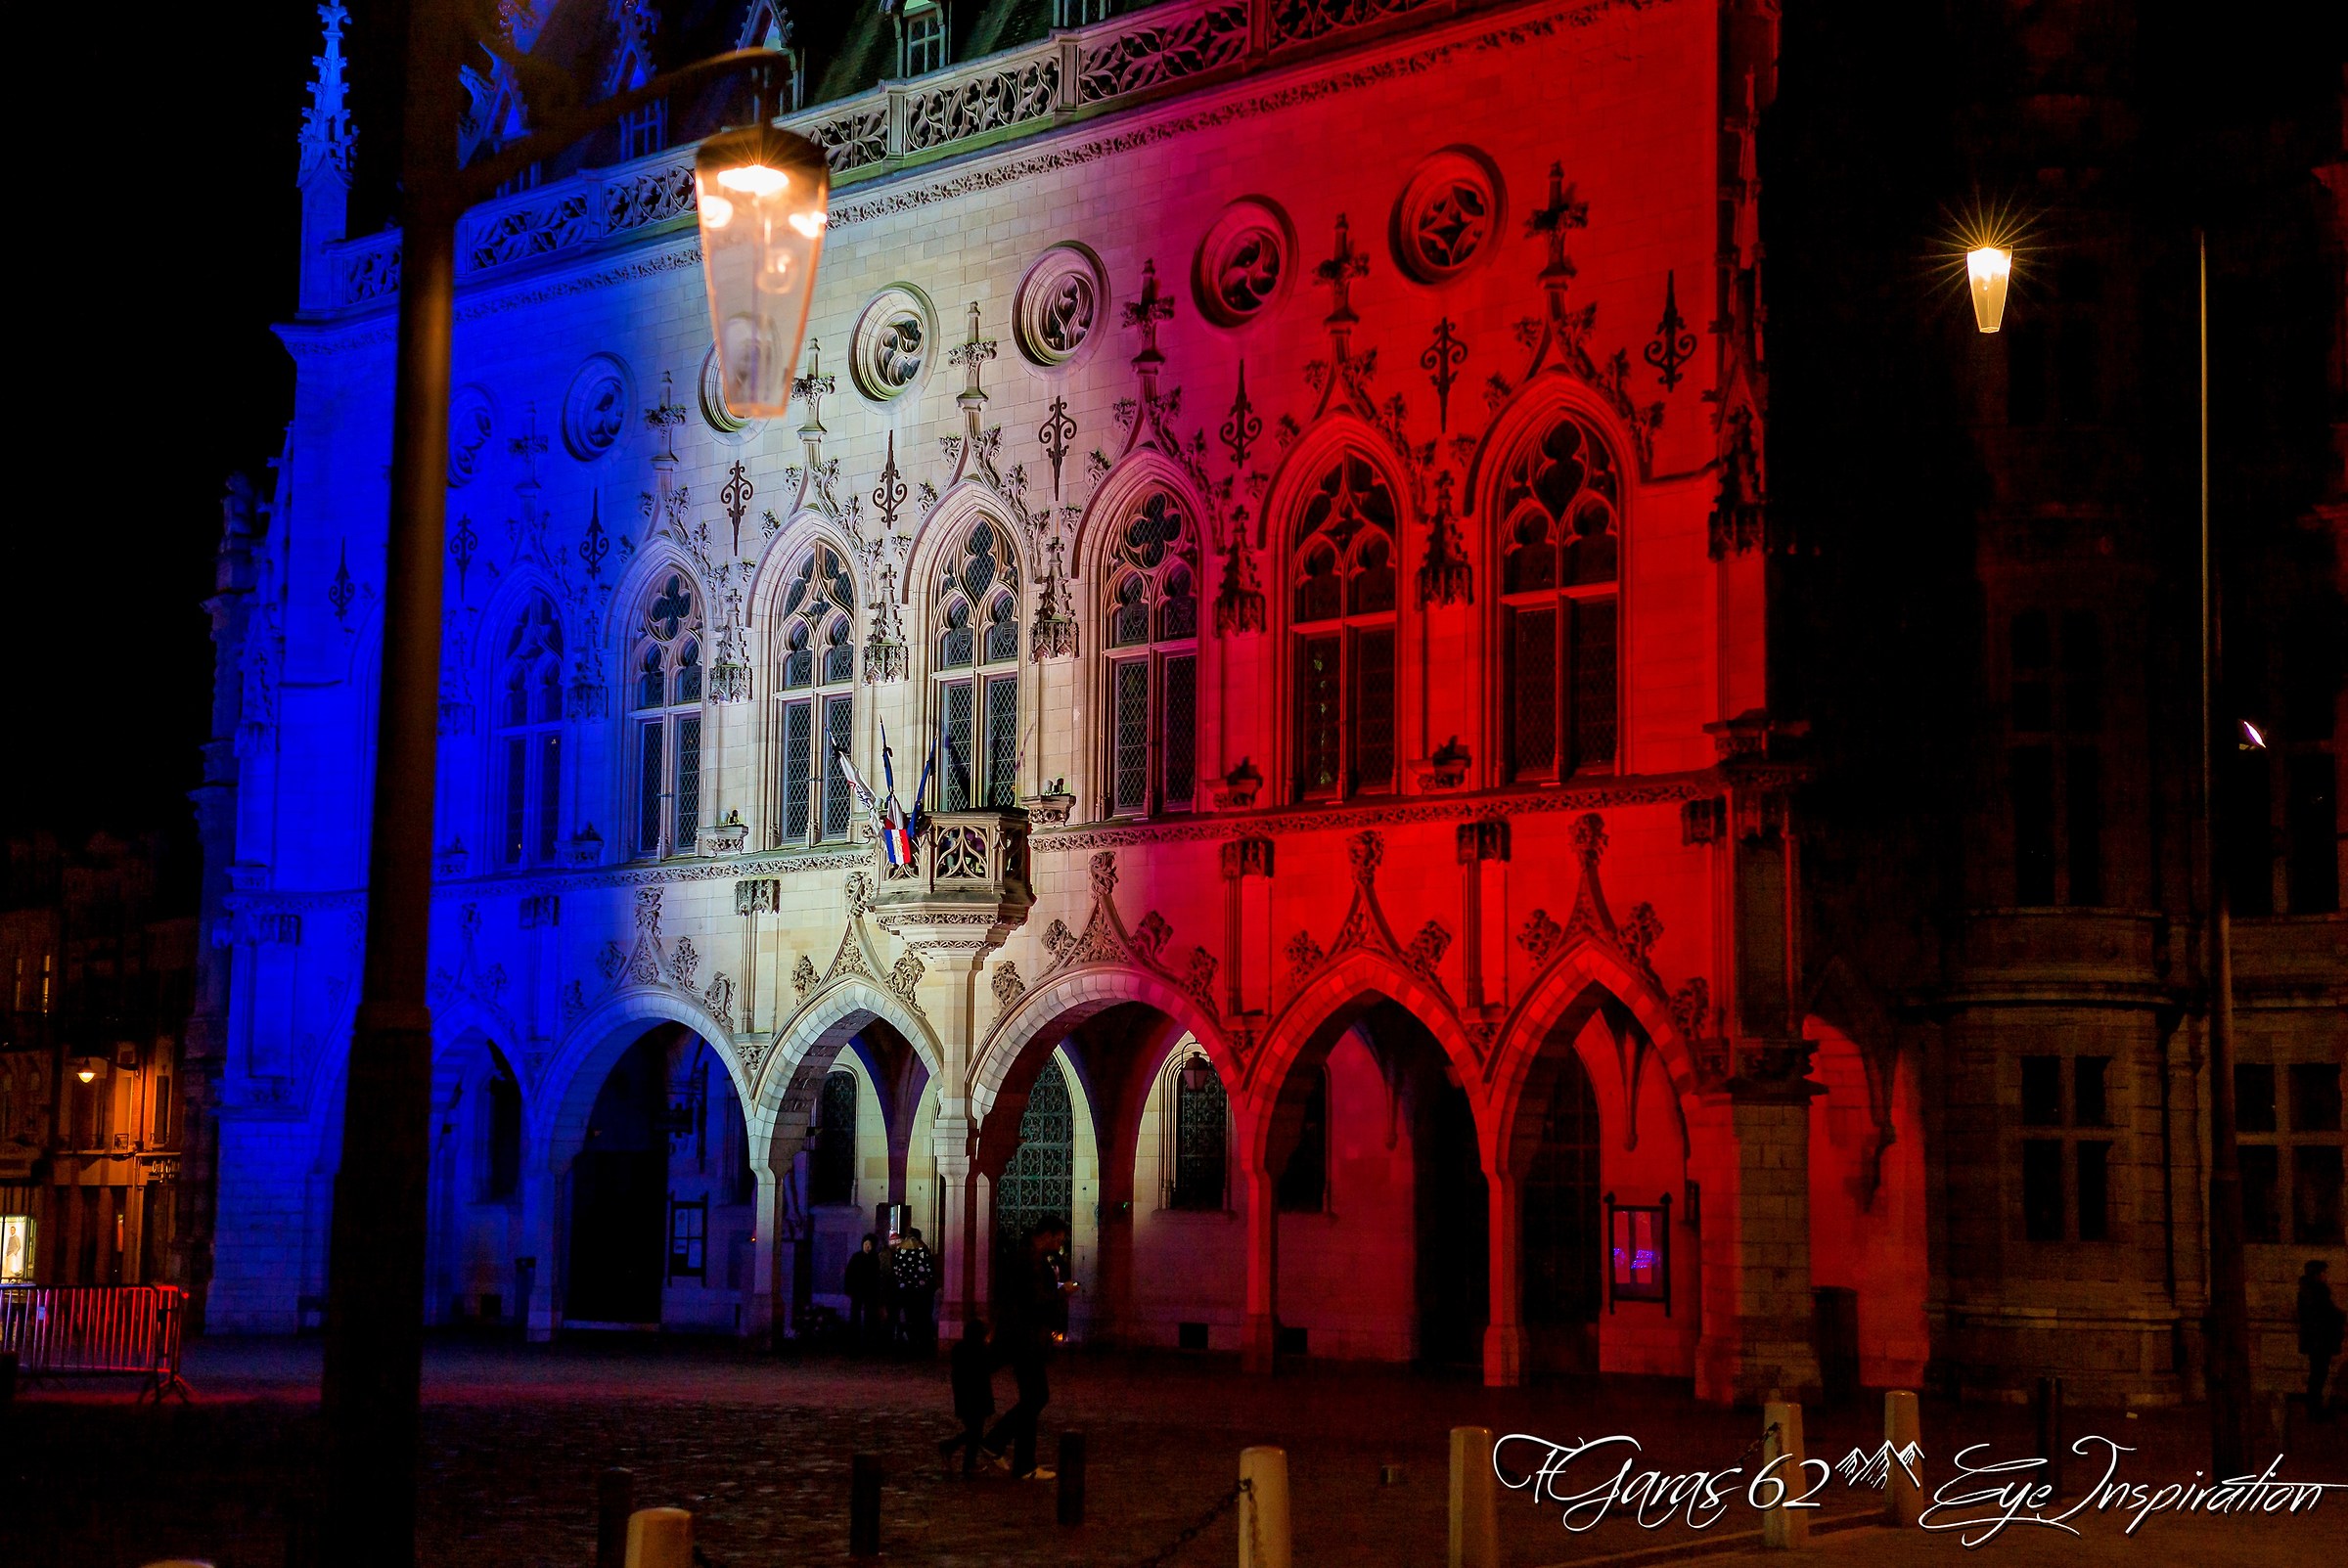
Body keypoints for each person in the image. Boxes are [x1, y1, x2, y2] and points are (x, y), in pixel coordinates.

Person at [983, 1215, 1077, 1480]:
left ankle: (1024, 1462)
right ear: (1046, 1234)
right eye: (1058, 1240)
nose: (1059, 1245)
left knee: (1031, 1398)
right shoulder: (1030, 1260)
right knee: (1037, 1396)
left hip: (1022, 1336)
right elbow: (1034, 1301)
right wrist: (1062, 1293)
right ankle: (997, 1442)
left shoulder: (1024, 1256)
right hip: (1026, 1338)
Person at [938, 1316, 995, 1476]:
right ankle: (962, 1458)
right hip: (976, 1398)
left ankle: (960, 1457)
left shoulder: (960, 1350)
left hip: (965, 1398)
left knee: (974, 1431)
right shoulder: (979, 1351)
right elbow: (985, 1373)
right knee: (975, 1432)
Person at [2298, 1259, 2344, 1422]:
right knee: (2318, 1375)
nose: (2326, 1276)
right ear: (2317, 1275)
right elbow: (2326, 1314)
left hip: (2316, 1341)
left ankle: (2314, 1408)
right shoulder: (2316, 1293)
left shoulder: (2309, 1292)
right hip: (2319, 1341)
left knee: (2317, 1375)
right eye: (2323, 1273)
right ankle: (2314, 1410)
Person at [893, 1226, 938, 1355]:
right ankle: (919, 1343)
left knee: (913, 1318)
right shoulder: (921, 1250)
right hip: (918, 1292)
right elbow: (929, 1270)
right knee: (918, 1318)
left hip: (911, 1292)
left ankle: (915, 1342)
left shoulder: (902, 1251)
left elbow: (897, 1270)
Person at [843, 1232, 881, 1350]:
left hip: (869, 1292)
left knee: (869, 1315)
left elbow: (876, 1276)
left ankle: (867, 1339)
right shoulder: (857, 1257)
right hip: (857, 1290)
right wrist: (849, 1288)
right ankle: (855, 1338)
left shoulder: (875, 1258)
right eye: (865, 1244)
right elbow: (849, 1273)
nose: (867, 1247)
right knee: (855, 1314)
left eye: (869, 1244)